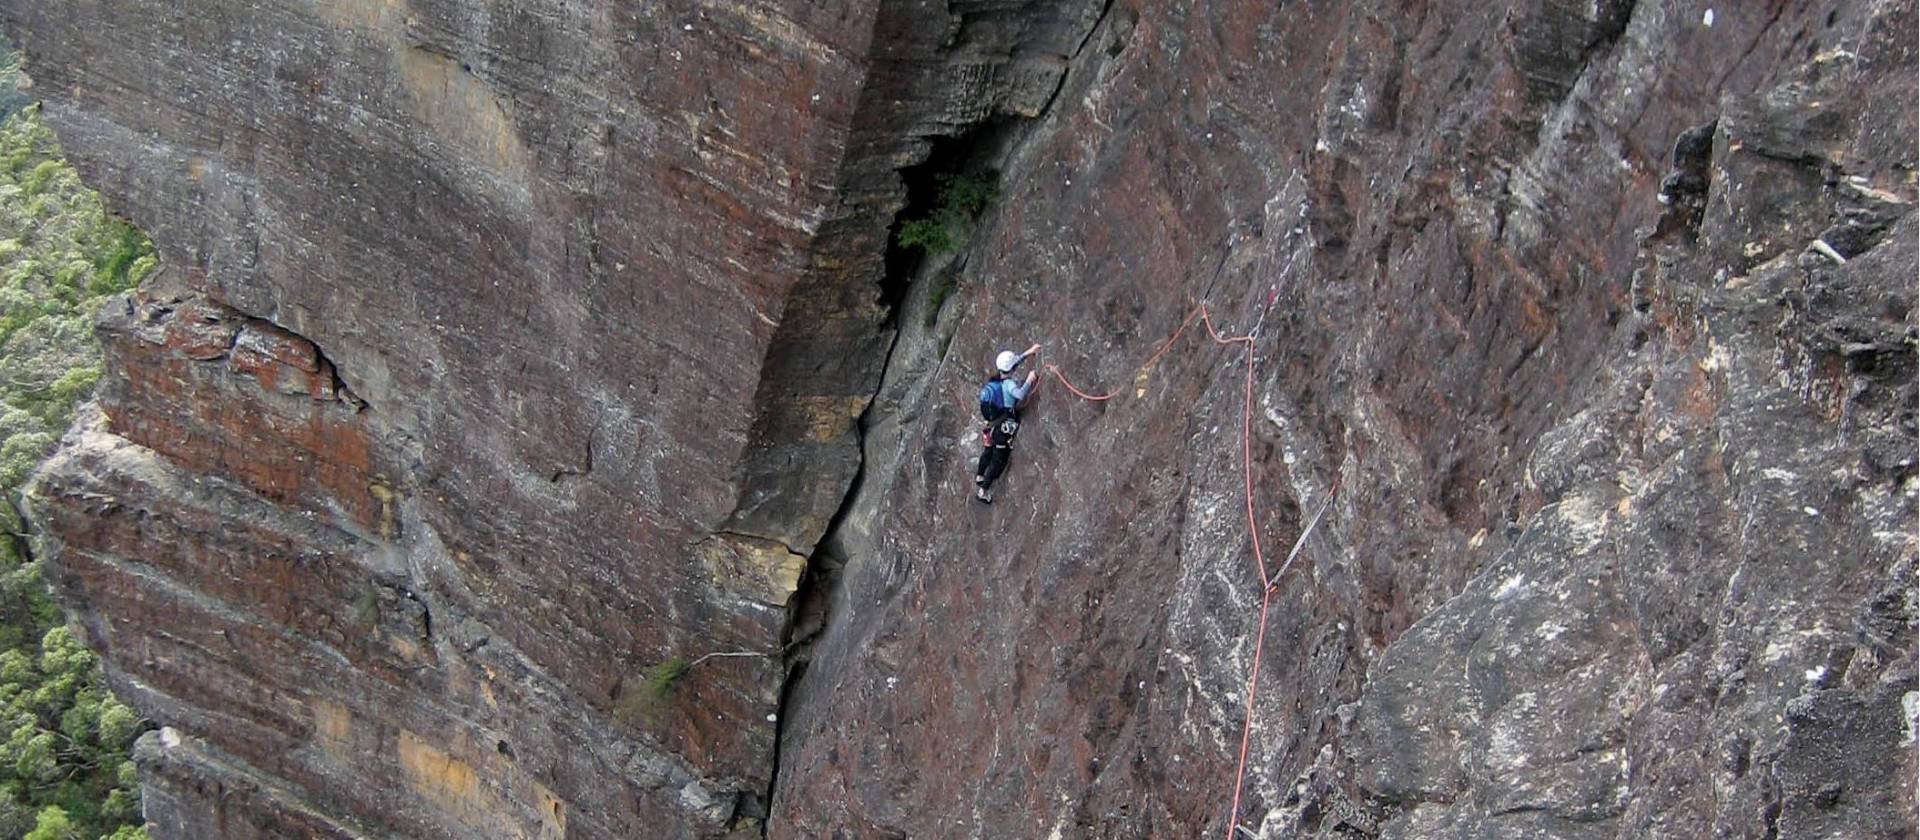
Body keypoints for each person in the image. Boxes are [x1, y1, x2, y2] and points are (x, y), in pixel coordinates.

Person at [975, 343, 1042, 503]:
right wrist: (1029, 380)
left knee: (988, 450)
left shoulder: (998, 379)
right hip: (1003, 427)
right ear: (1010, 369)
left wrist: (1029, 352)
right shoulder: (1008, 384)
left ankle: (980, 475)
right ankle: (983, 491)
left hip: (993, 422)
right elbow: (1019, 395)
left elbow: (1014, 362)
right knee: (998, 460)